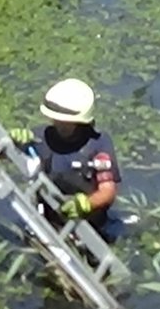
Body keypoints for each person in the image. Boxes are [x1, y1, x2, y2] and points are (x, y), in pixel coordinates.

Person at [8, 77, 122, 240]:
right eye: (56, 119)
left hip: (89, 224)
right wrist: (9, 141)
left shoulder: (98, 144)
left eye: (67, 122)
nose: (60, 124)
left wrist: (87, 204)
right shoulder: (40, 138)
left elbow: (107, 190)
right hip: (49, 223)